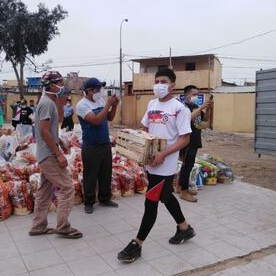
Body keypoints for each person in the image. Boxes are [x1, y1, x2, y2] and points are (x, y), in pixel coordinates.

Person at [118, 68, 195, 263]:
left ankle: (137, 244)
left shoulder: (180, 109)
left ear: (172, 85)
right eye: (157, 81)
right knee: (166, 196)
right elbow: (145, 128)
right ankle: (184, 228)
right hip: (151, 163)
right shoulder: (152, 104)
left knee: (150, 203)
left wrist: (164, 153)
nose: (159, 84)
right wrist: (139, 147)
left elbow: (185, 139)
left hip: (165, 165)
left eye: (163, 81)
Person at [29, 70, 82, 239]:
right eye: (60, 83)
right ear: (51, 85)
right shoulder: (47, 103)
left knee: (44, 191)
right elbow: (44, 131)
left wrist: (60, 140)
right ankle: (63, 226)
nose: (62, 86)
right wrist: (58, 153)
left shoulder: (47, 102)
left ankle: (38, 226)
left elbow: (48, 130)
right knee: (67, 187)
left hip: (45, 153)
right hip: (49, 155)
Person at [76, 78, 119, 214]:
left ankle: (105, 198)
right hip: (91, 146)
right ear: (89, 91)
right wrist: (108, 105)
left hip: (104, 143)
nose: (100, 92)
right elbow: (96, 120)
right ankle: (89, 202)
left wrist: (115, 106)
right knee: (90, 175)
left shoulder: (100, 101)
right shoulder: (82, 105)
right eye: (97, 89)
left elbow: (109, 118)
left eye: (100, 89)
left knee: (105, 173)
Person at [177, 85, 212, 202]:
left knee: (188, 165)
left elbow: (203, 122)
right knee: (186, 166)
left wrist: (208, 109)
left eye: (197, 94)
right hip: (187, 141)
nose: (196, 96)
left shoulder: (195, 106)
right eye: (194, 94)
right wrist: (202, 106)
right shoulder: (183, 107)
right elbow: (189, 118)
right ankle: (183, 192)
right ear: (187, 95)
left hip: (195, 141)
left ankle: (180, 187)